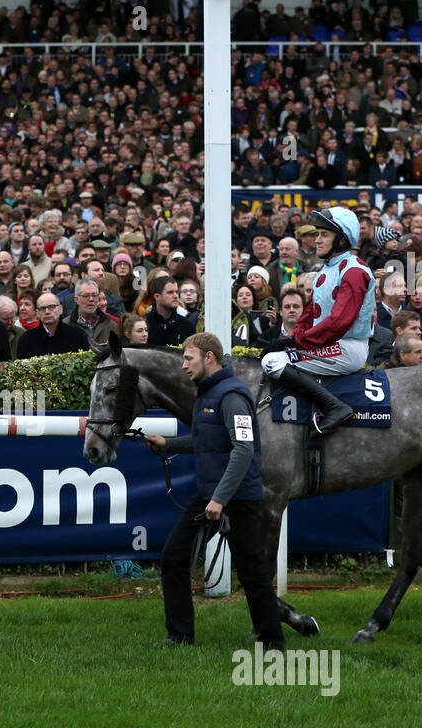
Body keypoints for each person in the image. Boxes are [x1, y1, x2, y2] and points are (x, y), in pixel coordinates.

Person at [142, 332, 282, 652]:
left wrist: (220, 498)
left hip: (236, 498)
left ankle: (272, 642)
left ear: (209, 358)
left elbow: (243, 449)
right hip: (209, 493)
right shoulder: (207, 393)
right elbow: (207, 440)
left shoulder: (232, 395)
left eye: (188, 358)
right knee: (173, 557)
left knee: (251, 572)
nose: (183, 366)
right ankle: (179, 635)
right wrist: (168, 444)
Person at [261, 207, 376, 435]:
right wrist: (292, 338)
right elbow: (309, 315)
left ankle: (335, 406)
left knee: (273, 362)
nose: (317, 240)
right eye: (317, 234)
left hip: (347, 347)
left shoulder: (354, 271)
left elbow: (338, 322)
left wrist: (296, 342)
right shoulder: (326, 269)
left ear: (342, 239)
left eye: (324, 235)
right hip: (327, 344)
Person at [17, 292, 90, 357]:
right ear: (37, 313)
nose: (47, 312)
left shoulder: (77, 335)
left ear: (60, 309)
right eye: (42, 308)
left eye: (51, 307)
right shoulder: (26, 339)